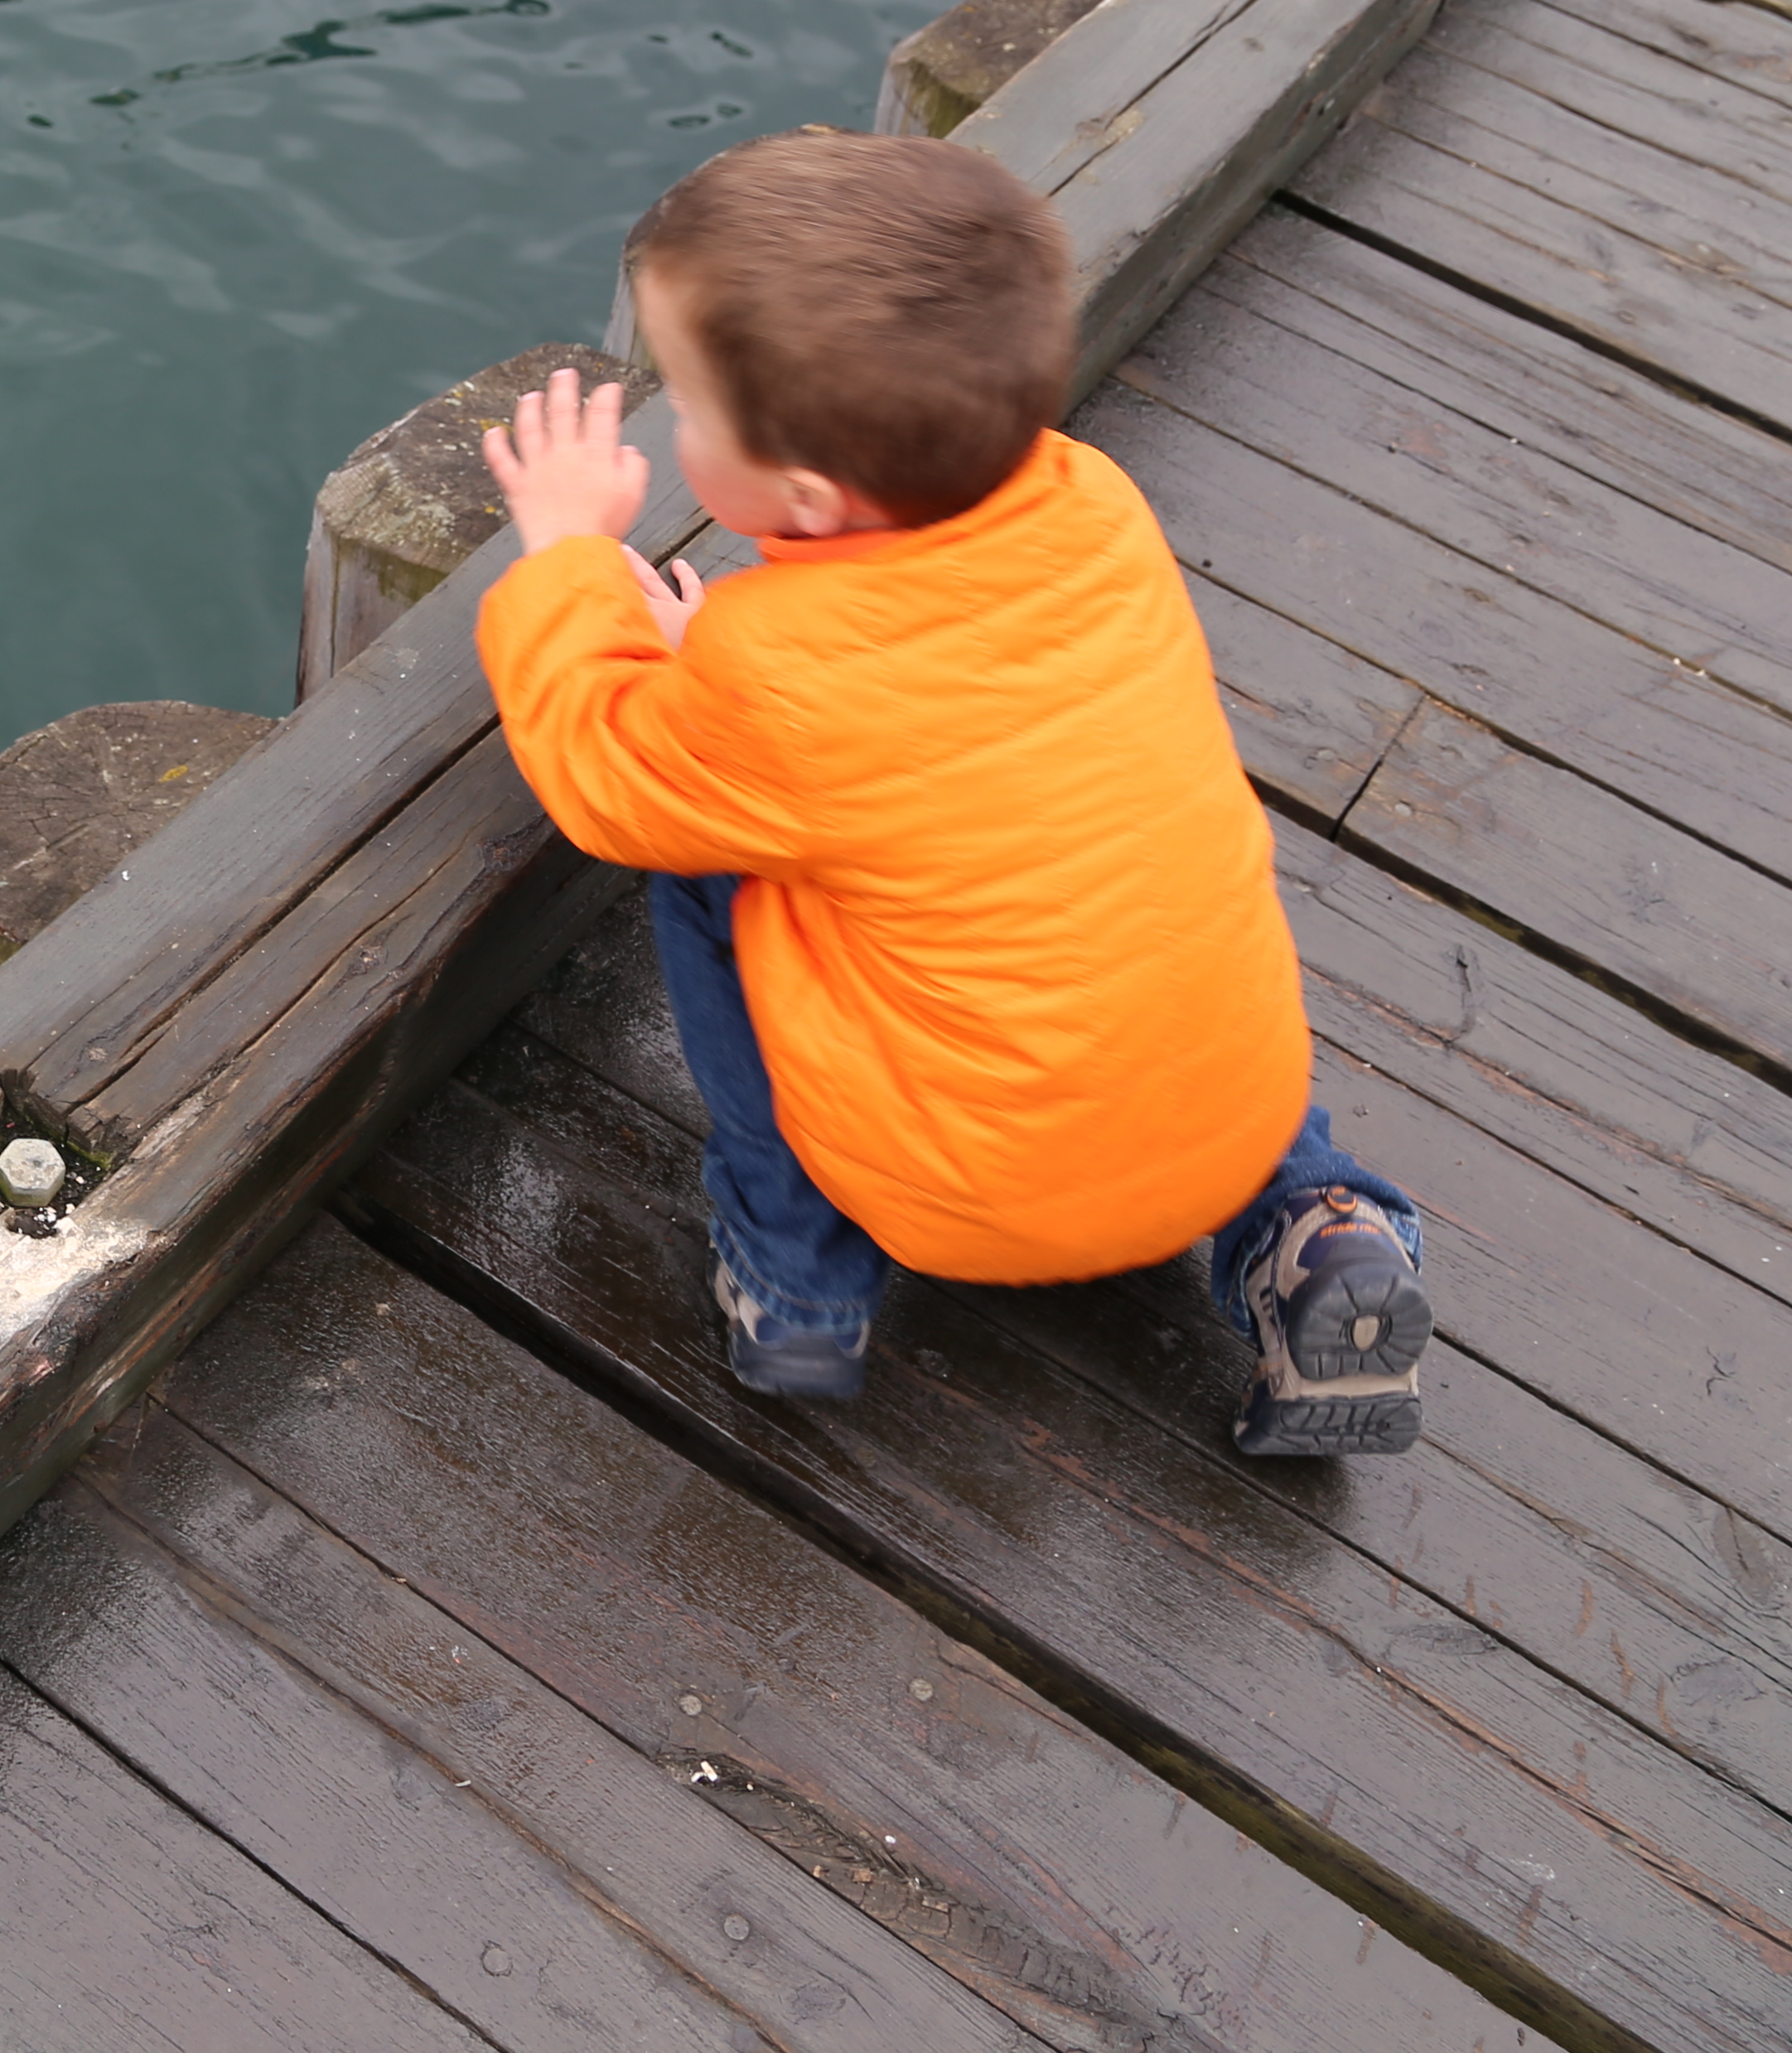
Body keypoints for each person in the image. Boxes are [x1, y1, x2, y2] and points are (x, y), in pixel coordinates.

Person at [471, 128, 1430, 1455]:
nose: (671, 429)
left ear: (803, 492)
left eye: (686, 411)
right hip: (1224, 1115)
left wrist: (570, 564)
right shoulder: (1097, 512)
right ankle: (1316, 1224)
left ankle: (795, 1279)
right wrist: (738, 662)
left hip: (960, 1199)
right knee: (1106, 879)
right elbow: (936, 713)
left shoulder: (781, 681)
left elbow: (606, 769)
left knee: (705, 864)